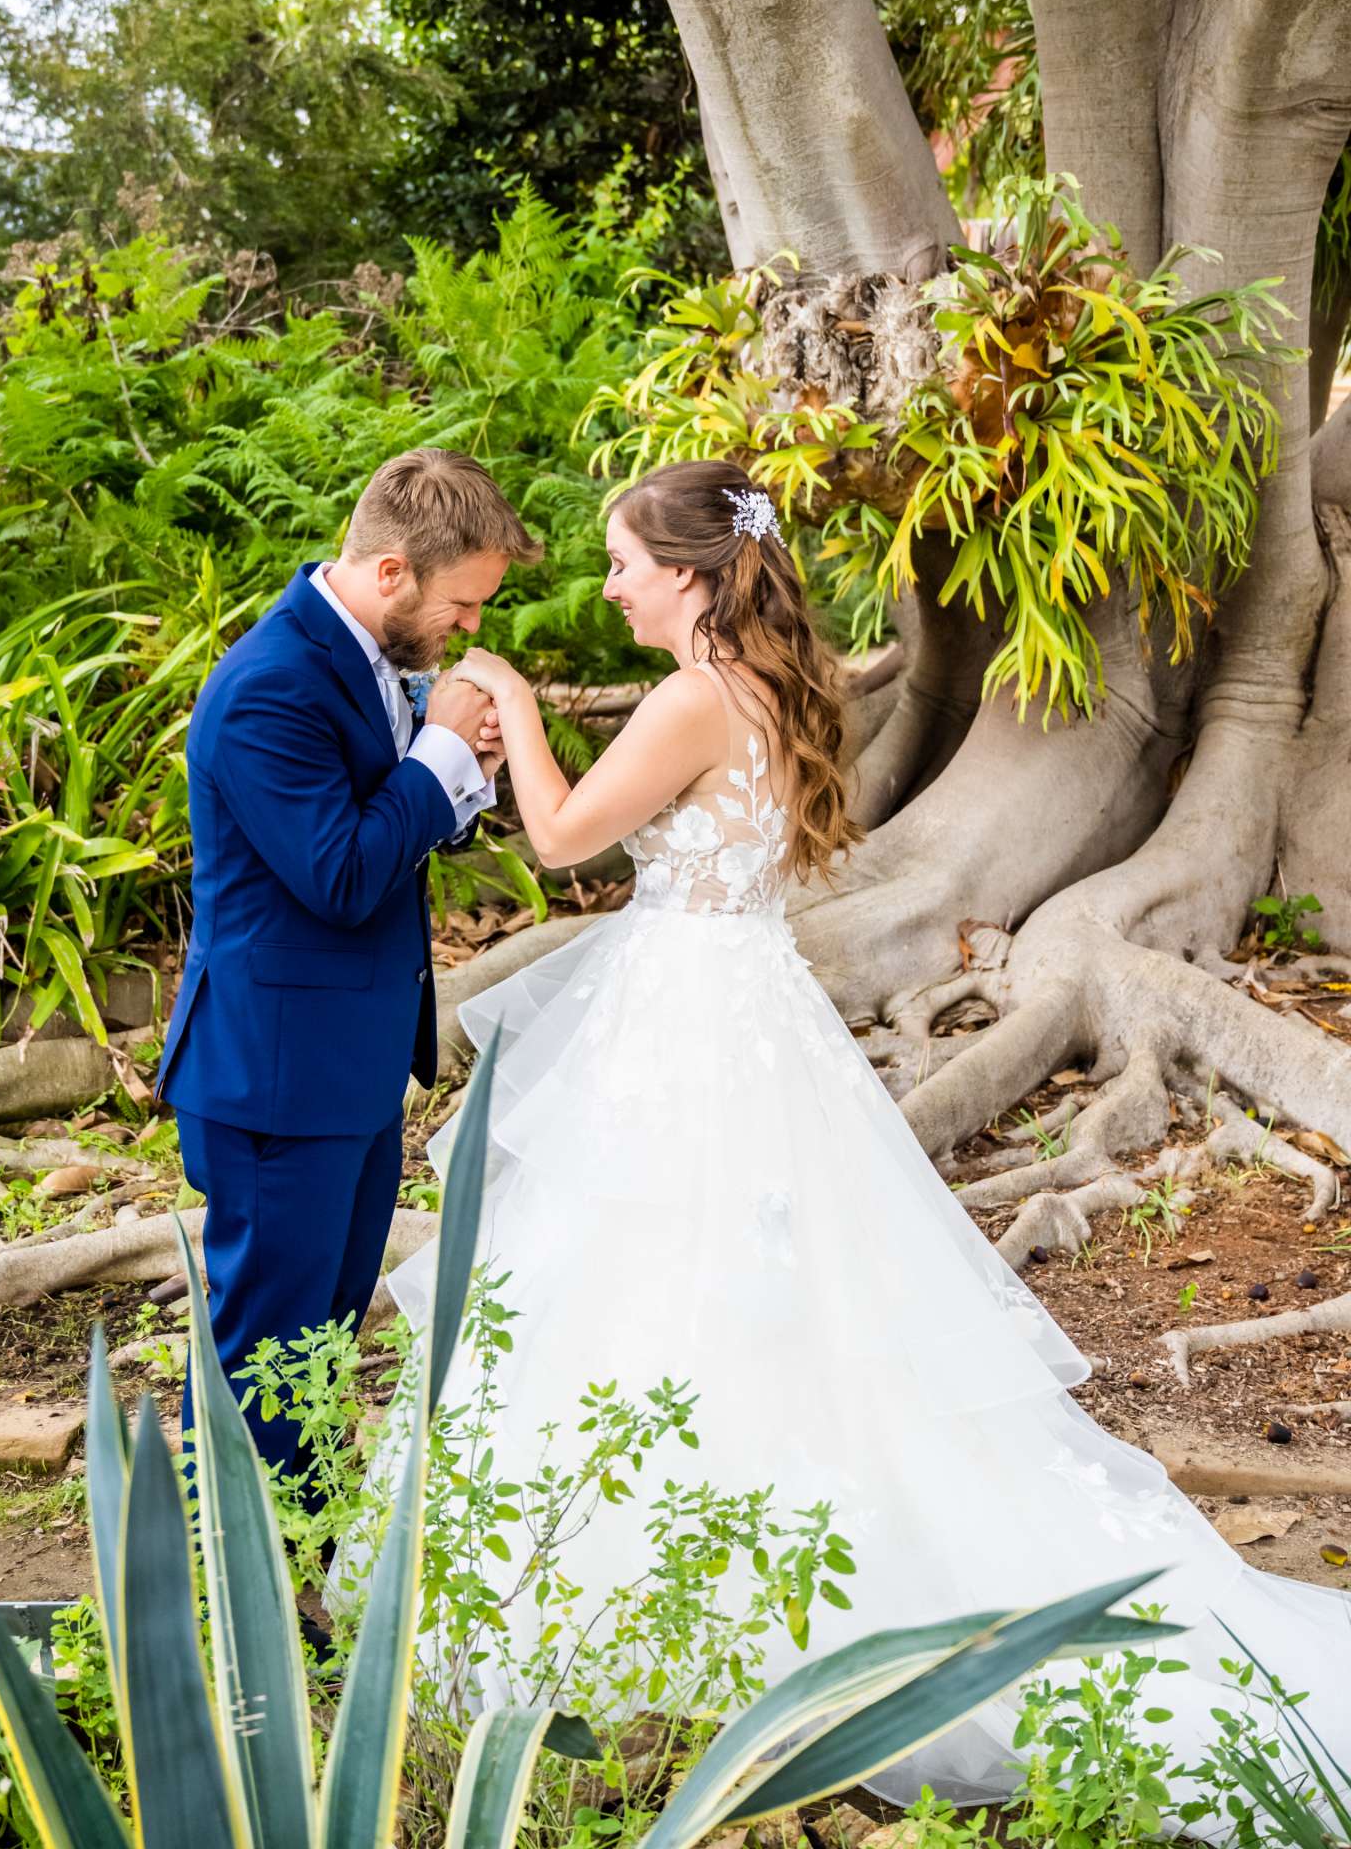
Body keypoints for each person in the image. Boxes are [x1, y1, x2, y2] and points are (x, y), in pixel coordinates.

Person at [386, 455, 1351, 1793]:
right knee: (739, 1284)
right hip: (738, 998)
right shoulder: (777, 683)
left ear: (688, 576)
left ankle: (701, 1604)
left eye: (622, 562)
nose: (608, 585)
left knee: (668, 1271)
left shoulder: (692, 700)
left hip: (693, 1015)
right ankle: (712, 1582)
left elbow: (558, 840)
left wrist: (504, 698)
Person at [158, 448, 540, 1478]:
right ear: (391, 574)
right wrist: (439, 758)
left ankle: (306, 1595)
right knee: (264, 1357)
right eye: (461, 605)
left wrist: (463, 774)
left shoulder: (368, 659)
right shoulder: (266, 688)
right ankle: (233, 1602)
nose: (468, 629)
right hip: (276, 1080)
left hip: (347, 1069)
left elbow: (387, 826)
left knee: (322, 1346)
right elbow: (337, 873)